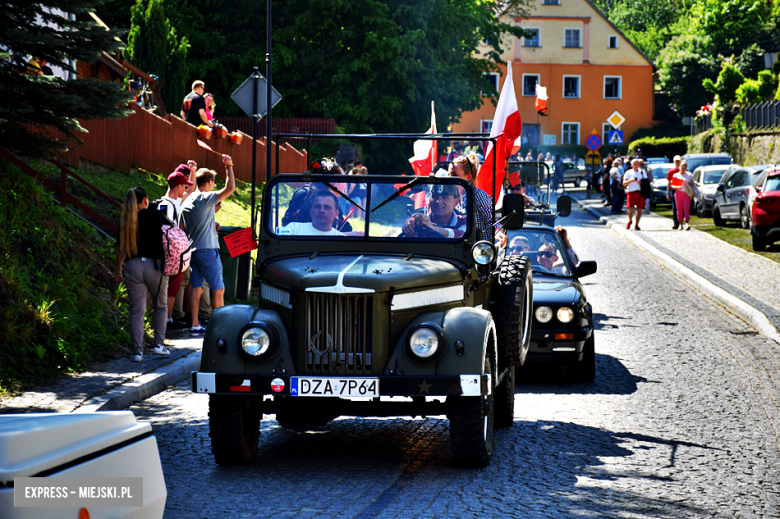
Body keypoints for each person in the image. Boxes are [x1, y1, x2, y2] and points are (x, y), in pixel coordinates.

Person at [114, 187, 171, 362]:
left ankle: (137, 352)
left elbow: (120, 248)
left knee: (137, 311)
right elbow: (172, 234)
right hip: (156, 266)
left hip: (133, 266)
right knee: (160, 306)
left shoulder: (125, 221)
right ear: (145, 200)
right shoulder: (156, 216)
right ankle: (158, 345)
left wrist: (118, 269)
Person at [181, 154, 236, 336]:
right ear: (210, 182)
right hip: (207, 250)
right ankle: (221, 327)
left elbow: (184, 227)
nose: (214, 185)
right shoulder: (205, 198)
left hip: (193, 251)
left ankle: (195, 325)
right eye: (213, 182)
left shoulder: (188, 201)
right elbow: (230, 189)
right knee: (218, 288)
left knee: (196, 288)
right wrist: (229, 166)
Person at [158, 162, 197, 327]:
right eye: (184, 186)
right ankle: (166, 320)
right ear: (178, 186)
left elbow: (193, 190)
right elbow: (163, 230)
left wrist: (193, 171)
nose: (186, 189)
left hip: (175, 252)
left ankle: (168, 319)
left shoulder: (176, 203)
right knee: (168, 287)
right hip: (170, 252)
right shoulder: (166, 205)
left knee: (173, 287)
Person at [449, 153, 495, 240]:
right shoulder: (453, 197)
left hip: (477, 248)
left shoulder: (478, 195)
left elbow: (493, 222)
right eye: (449, 174)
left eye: (455, 175)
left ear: (468, 177)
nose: (450, 178)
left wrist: (499, 234)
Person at [401, 184, 466, 238]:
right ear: (429, 199)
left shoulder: (464, 222)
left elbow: (462, 234)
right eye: (434, 196)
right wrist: (410, 232)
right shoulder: (417, 222)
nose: (438, 201)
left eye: (445, 197)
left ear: (456, 202)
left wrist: (434, 229)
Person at [278, 190, 345, 236]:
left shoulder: (342, 240)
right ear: (311, 211)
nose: (321, 210)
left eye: (327, 207)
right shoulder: (293, 229)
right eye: (317, 206)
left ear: (336, 214)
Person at [623, 158, 647, 230]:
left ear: (639, 164)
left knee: (639, 209)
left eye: (637, 164)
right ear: (631, 165)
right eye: (634, 164)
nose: (636, 165)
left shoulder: (642, 172)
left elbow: (646, 183)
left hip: (640, 192)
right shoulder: (628, 172)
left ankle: (637, 224)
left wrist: (641, 182)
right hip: (631, 192)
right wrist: (630, 180)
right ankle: (630, 220)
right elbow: (624, 183)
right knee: (630, 208)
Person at [671, 161, 694, 231]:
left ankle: (686, 222)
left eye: (684, 168)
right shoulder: (676, 175)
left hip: (686, 193)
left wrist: (691, 183)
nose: (683, 169)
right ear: (679, 167)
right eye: (682, 167)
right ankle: (680, 224)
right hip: (678, 193)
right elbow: (672, 185)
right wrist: (677, 187)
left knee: (686, 208)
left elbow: (692, 184)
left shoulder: (689, 174)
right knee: (679, 208)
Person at [666, 155, 682, 229]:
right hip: (674, 190)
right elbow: (669, 182)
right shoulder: (671, 171)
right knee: (675, 207)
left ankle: (682, 221)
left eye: (679, 161)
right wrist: (668, 193)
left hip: (682, 190)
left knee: (682, 207)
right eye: (676, 161)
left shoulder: (683, 170)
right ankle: (676, 222)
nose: (677, 163)